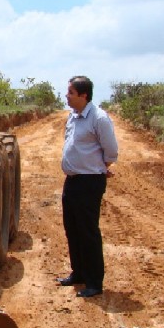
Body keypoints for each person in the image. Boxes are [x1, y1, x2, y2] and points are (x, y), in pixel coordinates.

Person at [56, 75, 119, 298]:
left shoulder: (99, 118)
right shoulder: (73, 116)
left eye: (71, 93)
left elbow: (111, 150)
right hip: (72, 181)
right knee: (72, 228)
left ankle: (94, 282)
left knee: (88, 231)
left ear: (84, 96)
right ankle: (79, 273)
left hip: (89, 181)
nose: (67, 96)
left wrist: (101, 166)